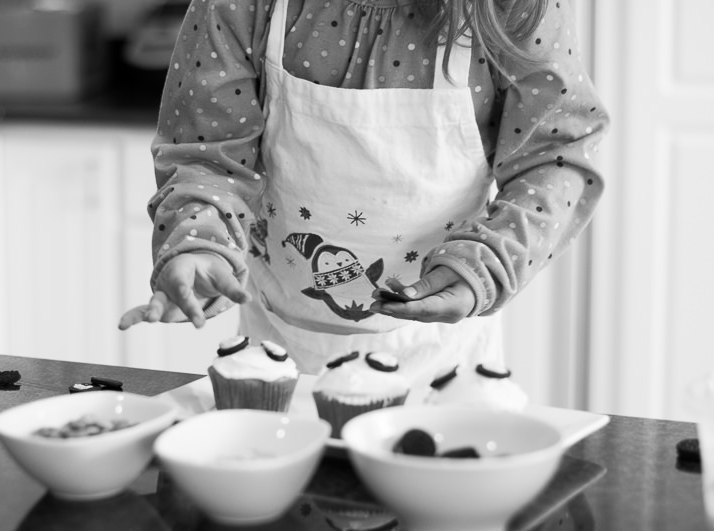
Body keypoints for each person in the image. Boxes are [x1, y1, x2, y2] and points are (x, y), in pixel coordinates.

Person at [119, 0, 609, 382]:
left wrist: (486, 264)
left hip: (446, 366)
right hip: (279, 359)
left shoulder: (514, 10)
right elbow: (207, 155)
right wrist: (201, 238)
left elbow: (555, 156)